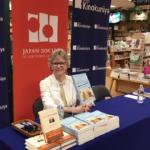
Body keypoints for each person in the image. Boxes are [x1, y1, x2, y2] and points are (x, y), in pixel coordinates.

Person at [39, 48, 91, 115]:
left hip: (72, 117)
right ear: (51, 66)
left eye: (61, 63)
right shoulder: (44, 83)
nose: (58, 66)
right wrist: (73, 110)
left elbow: (88, 99)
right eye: (55, 63)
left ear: (66, 65)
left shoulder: (73, 79)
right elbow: (48, 106)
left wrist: (86, 105)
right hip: (55, 118)